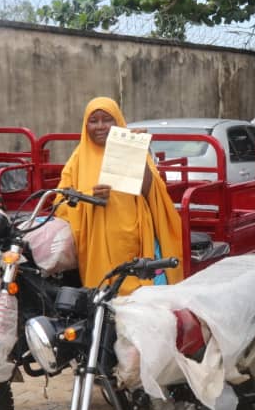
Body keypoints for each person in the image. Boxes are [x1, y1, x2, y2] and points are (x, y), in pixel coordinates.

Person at [56, 97, 184, 296]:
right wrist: (89, 197)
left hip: (132, 241)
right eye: (93, 120)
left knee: (137, 297)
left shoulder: (129, 146)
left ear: (117, 121)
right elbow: (61, 204)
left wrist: (138, 152)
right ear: (85, 125)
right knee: (102, 298)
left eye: (107, 119)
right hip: (95, 246)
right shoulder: (78, 157)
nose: (100, 127)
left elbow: (151, 192)